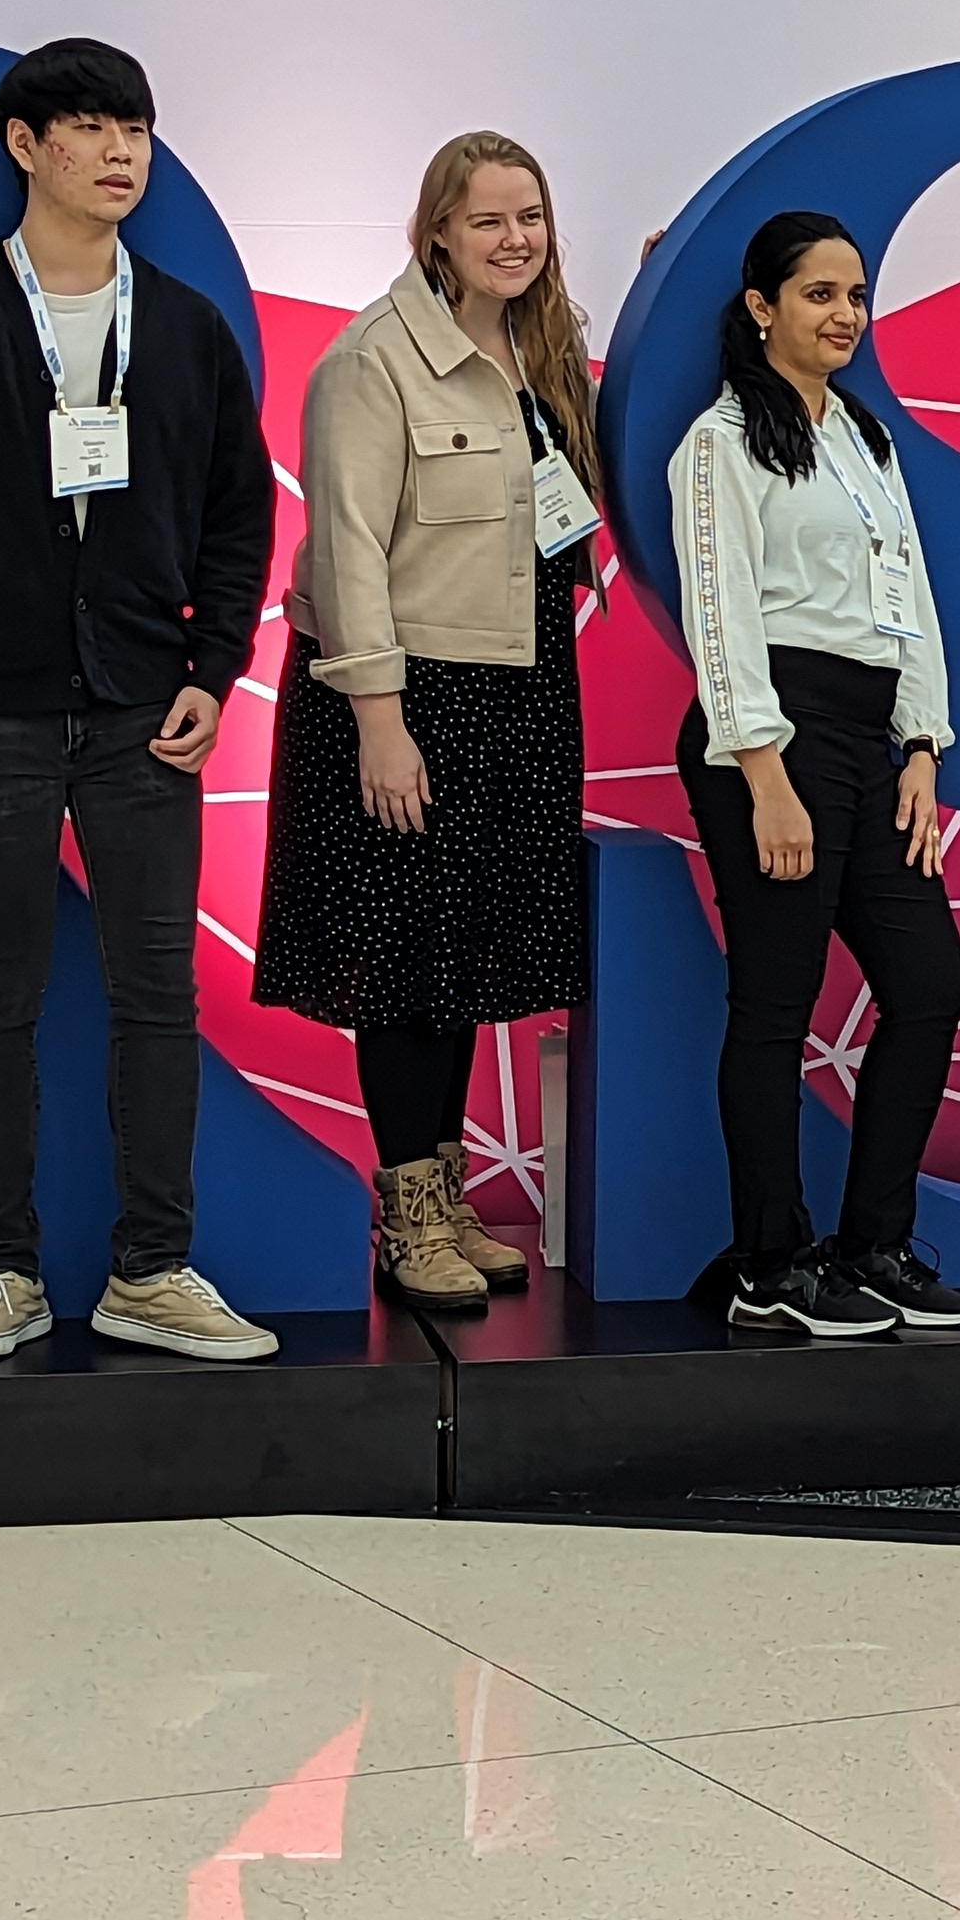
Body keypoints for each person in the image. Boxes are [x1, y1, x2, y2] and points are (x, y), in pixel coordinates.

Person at [0, 39, 280, 1363]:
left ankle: (154, 1269)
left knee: (159, 992)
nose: (121, 153)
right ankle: (4, 1270)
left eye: (137, 129)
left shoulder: (190, 325)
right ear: (23, 145)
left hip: (144, 709)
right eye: (91, 126)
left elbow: (236, 516)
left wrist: (214, 674)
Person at [256, 133, 606, 1307]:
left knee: (465, 959)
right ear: (437, 231)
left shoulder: (541, 348)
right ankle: (405, 1214)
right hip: (413, 696)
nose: (516, 239)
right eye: (490, 219)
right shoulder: (372, 361)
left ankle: (444, 1194)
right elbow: (347, 550)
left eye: (532, 218)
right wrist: (379, 721)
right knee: (403, 961)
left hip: (520, 684)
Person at [672, 210, 960, 1338]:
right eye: (818, 294)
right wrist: (764, 770)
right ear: (762, 309)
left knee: (930, 984)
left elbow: (910, 603)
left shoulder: (865, 436)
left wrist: (921, 749)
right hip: (771, 740)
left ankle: (873, 1244)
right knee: (776, 1006)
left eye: (856, 295)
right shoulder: (720, 443)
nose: (844, 314)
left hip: (869, 738)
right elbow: (723, 612)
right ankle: (769, 1266)